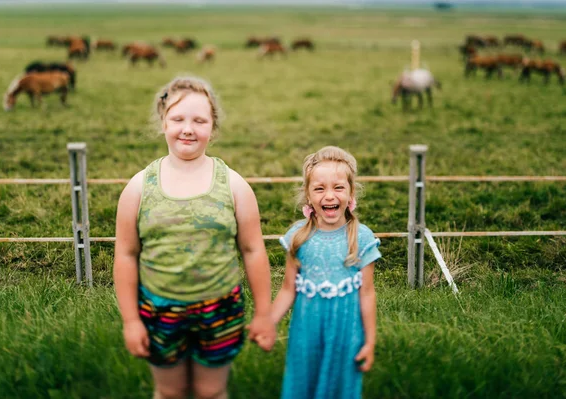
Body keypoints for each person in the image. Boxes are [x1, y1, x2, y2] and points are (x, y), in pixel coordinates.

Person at [113, 76, 276, 399]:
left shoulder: (234, 186)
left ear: (212, 127)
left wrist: (263, 314)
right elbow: (126, 255)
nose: (188, 128)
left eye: (199, 120)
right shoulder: (138, 188)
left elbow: (253, 250)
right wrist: (131, 320)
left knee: (211, 392)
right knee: (169, 392)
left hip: (220, 311)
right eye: (178, 119)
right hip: (159, 312)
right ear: (163, 122)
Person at [269, 146, 381, 399]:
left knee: (340, 387)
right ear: (308, 196)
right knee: (304, 384)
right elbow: (288, 289)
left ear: (351, 193)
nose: (329, 196)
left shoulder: (361, 238)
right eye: (319, 188)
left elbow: (367, 294)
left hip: (346, 333)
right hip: (307, 332)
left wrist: (370, 341)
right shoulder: (298, 237)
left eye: (338, 187)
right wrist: (268, 322)